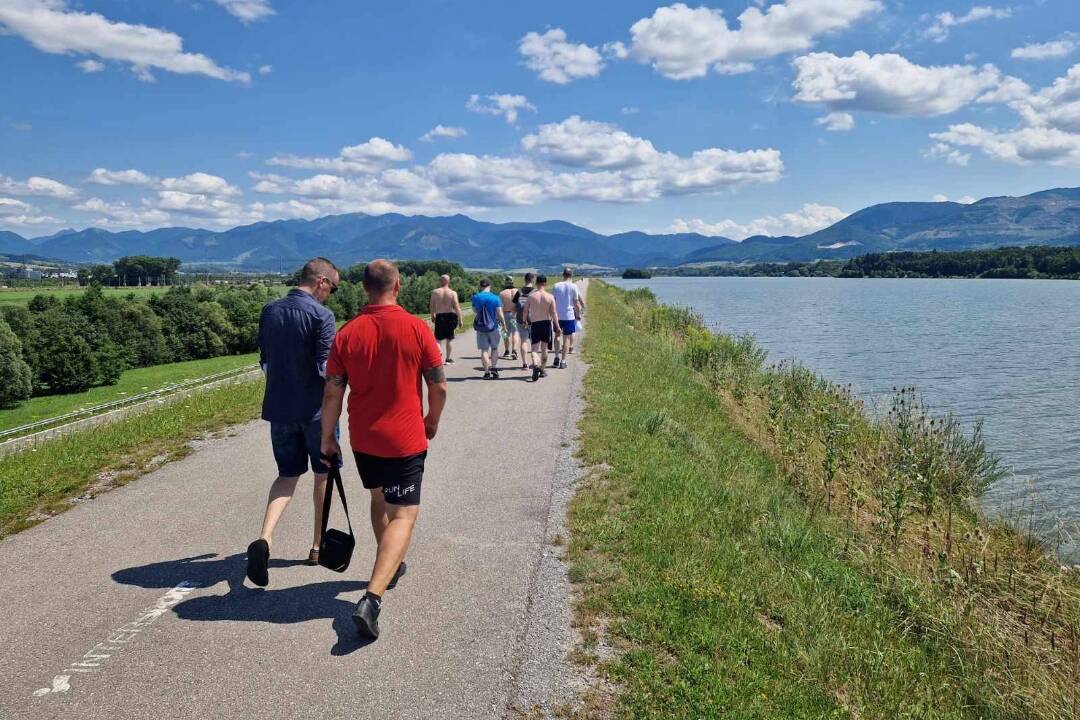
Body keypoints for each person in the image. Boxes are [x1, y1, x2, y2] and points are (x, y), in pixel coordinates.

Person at [321, 259, 447, 641]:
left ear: (364, 288)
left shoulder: (348, 333)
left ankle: (390, 564)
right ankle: (372, 598)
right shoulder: (416, 328)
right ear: (399, 285)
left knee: (379, 499)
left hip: (364, 438)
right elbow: (438, 385)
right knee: (404, 514)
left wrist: (328, 437)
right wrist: (432, 420)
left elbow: (332, 391)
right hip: (404, 438)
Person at [246, 257, 340, 588]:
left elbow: (266, 363)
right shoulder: (322, 316)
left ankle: (265, 539)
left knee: (286, 476)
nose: (332, 295)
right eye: (334, 288)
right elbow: (328, 371)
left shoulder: (270, 311)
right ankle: (317, 545)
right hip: (315, 411)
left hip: (279, 410)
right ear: (322, 282)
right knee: (322, 475)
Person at [523, 273, 561, 382]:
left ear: (536, 283)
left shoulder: (531, 296)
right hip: (546, 324)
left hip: (535, 324)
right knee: (545, 349)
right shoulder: (550, 297)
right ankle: (542, 370)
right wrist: (557, 326)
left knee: (534, 349)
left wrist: (525, 321)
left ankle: (535, 364)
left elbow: (525, 310)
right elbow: (554, 313)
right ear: (545, 283)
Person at [471, 278, 505, 379]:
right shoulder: (495, 298)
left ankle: (486, 372)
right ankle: (494, 368)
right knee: (494, 348)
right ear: (489, 286)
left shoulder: (476, 297)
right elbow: (499, 313)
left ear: (481, 286)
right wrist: (504, 324)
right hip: (493, 326)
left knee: (484, 350)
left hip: (481, 327)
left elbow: (475, 311)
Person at [552, 267, 584, 369]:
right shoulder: (574, 287)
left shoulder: (556, 286)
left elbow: (553, 301)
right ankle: (563, 361)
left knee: (557, 336)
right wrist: (578, 315)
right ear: (571, 275)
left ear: (563, 275)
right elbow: (576, 303)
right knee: (566, 339)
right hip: (569, 316)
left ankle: (556, 356)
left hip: (557, 315)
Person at [430, 274, 462, 364]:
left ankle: (438, 355)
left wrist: (432, 315)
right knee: (449, 338)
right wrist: (460, 319)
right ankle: (448, 358)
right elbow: (456, 306)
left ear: (440, 281)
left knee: (438, 339)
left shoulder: (435, 292)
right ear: (449, 281)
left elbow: (432, 305)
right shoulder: (452, 293)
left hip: (439, 316)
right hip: (450, 316)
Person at [512, 272, 535, 370]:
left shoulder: (519, 292)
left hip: (521, 320)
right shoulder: (535, 292)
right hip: (533, 320)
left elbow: (514, 307)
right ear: (533, 280)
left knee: (523, 341)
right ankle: (535, 362)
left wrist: (513, 316)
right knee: (534, 342)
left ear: (524, 280)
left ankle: (525, 364)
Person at [498, 275, 518, 361]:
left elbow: (499, 307)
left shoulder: (502, 293)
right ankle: (514, 350)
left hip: (505, 314)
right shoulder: (517, 292)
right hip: (515, 315)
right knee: (515, 332)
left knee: (505, 333)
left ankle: (507, 351)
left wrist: (498, 317)